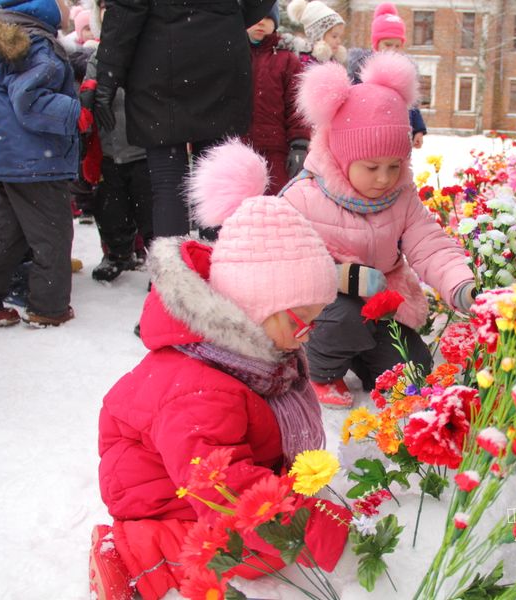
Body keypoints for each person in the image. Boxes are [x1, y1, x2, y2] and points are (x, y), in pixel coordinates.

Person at [89, 140, 349, 600]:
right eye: (299, 318)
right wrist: (308, 529)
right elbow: (223, 492)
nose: (309, 332)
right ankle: (134, 551)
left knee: (273, 528)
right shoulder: (203, 393)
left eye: (315, 318)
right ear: (253, 308)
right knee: (249, 547)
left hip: (193, 471)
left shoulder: (251, 359)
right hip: (163, 494)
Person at [281, 52, 477, 408]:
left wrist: (461, 285)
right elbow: (285, 261)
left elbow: (429, 245)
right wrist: (342, 277)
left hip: (382, 302)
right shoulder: (304, 197)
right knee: (345, 317)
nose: (384, 178)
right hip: (321, 309)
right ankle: (319, 370)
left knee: (416, 369)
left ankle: (360, 356)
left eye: (394, 165)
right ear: (342, 155)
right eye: (371, 167)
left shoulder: (400, 196)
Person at [92, 0, 276, 240]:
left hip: (159, 57)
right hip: (220, 52)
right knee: (215, 178)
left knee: (168, 183)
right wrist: (225, 15)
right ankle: (217, 262)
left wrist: (107, 77)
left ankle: (173, 269)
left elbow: (126, 10)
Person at [0, 0, 80, 328]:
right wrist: (77, 110)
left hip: (2, 152)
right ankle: (48, 308)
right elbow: (31, 101)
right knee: (52, 232)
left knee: (8, 230)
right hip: (34, 156)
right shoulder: (35, 41)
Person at [80, 0, 152, 282]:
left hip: (144, 149)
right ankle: (117, 253)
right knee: (111, 210)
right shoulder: (100, 54)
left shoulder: (148, 49)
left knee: (151, 216)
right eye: (105, 9)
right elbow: (90, 80)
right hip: (110, 149)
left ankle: (158, 262)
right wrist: (88, 96)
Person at [245, 4, 310, 193]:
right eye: (255, 17)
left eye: (267, 18)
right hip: (240, 146)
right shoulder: (236, 54)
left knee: (276, 201)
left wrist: (299, 143)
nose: (260, 22)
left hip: (276, 149)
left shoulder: (287, 59)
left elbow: (297, 105)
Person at [347, 2, 428, 149]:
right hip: (370, 133)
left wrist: (418, 129)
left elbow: (412, 104)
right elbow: (355, 102)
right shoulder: (363, 70)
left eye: (397, 46)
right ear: (376, 45)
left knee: (397, 166)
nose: (393, 50)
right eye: (388, 44)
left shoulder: (404, 72)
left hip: (400, 132)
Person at [286, 0, 346, 67]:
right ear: (318, 37)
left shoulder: (333, 61)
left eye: (339, 36)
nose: (339, 41)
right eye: (334, 36)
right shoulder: (306, 61)